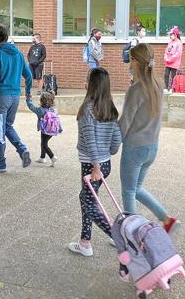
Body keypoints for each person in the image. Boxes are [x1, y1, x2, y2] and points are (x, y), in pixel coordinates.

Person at [121, 43, 180, 234]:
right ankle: (166, 219)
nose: (129, 64)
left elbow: (125, 123)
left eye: (131, 60)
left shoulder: (135, 90)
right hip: (151, 147)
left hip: (134, 148)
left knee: (129, 191)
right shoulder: (158, 86)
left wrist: (110, 143)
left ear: (137, 62)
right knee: (137, 188)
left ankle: (131, 233)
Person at [69, 67, 122, 257]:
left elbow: (90, 141)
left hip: (92, 166)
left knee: (87, 201)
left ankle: (118, 236)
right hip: (105, 163)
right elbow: (117, 139)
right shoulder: (110, 108)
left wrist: (95, 166)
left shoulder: (87, 110)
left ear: (90, 85)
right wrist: (108, 153)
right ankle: (85, 242)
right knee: (88, 199)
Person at [0, 24, 33, 173]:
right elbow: (28, 75)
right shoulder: (18, 54)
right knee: (7, 126)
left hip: (0, 98)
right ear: (7, 36)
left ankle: (0, 163)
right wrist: (28, 93)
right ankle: (22, 150)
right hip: (15, 97)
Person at [26, 91, 62, 166]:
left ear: (41, 100)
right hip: (52, 130)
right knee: (43, 143)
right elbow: (57, 119)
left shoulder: (40, 110)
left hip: (45, 130)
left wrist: (28, 99)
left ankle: (52, 157)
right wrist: (60, 128)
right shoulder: (53, 109)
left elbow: (31, 106)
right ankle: (42, 158)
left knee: (44, 145)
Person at [163, 26, 183, 94]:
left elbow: (178, 54)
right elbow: (166, 51)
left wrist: (170, 59)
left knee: (173, 76)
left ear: (175, 34)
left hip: (174, 63)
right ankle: (165, 88)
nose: (170, 36)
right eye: (170, 35)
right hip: (168, 62)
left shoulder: (179, 43)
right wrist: (166, 58)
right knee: (166, 74)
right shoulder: (170, 42)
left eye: (171, 34)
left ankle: (172, 88)